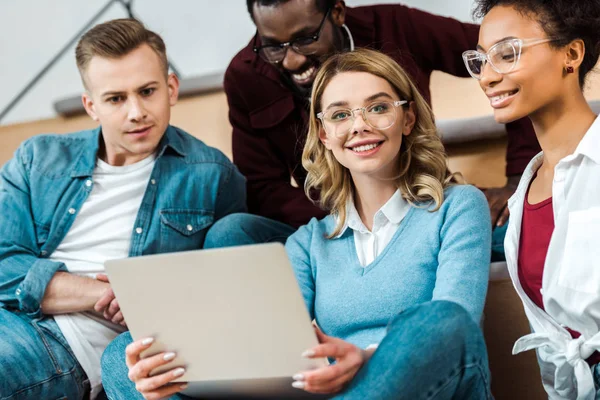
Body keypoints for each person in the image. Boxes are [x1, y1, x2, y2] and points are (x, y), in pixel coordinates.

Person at [101, 49, 492, 400]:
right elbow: (272, 354)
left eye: (377, 108)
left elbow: (456, 326)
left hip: (423, 388)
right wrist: (174, 374)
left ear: (407, 118)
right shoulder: (309, 243)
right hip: (328, 394)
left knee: (437, 320)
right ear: (323, 135)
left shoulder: (457, 207)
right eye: (340, 114)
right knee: (125, 356)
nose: (359, 125)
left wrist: (367, 358)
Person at [0, 18, 246, 399]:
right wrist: (114, 291)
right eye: (116, 99)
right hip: (10, 317)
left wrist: (152, 300)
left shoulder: (212, 175)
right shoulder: (38, 158)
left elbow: (229, 286)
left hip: (66, 345)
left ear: (171, 88)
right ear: (91, 106)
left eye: (148, 91)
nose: (136, 112)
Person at [213, 0, 541, 252]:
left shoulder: (399, 27)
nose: (291, 60)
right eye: (272, 45)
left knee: (526, 231)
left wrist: (519, 179)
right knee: (232, 232)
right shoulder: (246, 77)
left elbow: (506, 59)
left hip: (422, 212)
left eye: (306, 38)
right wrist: (350, 218)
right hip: (327, 226)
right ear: (322, 132)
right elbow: (263, 188)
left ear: (337, 12)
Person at [465, 0, 600, 398]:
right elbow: (554, 344)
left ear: (571, 55)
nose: (487, 77)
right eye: (481, 61)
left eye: (507, 55)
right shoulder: (523, 193)